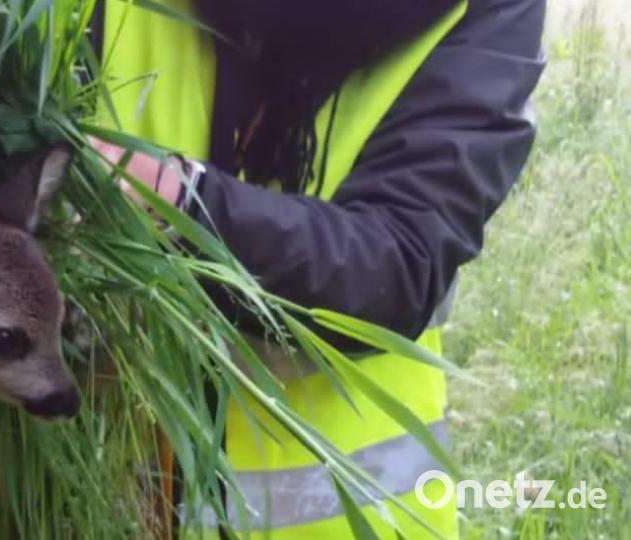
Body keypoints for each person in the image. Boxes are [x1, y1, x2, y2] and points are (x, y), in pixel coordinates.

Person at [88, 0, 546, 538]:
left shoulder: (489, 10)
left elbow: (398, 260)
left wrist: (184, 203)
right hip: (89, 497)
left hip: (338, 517)